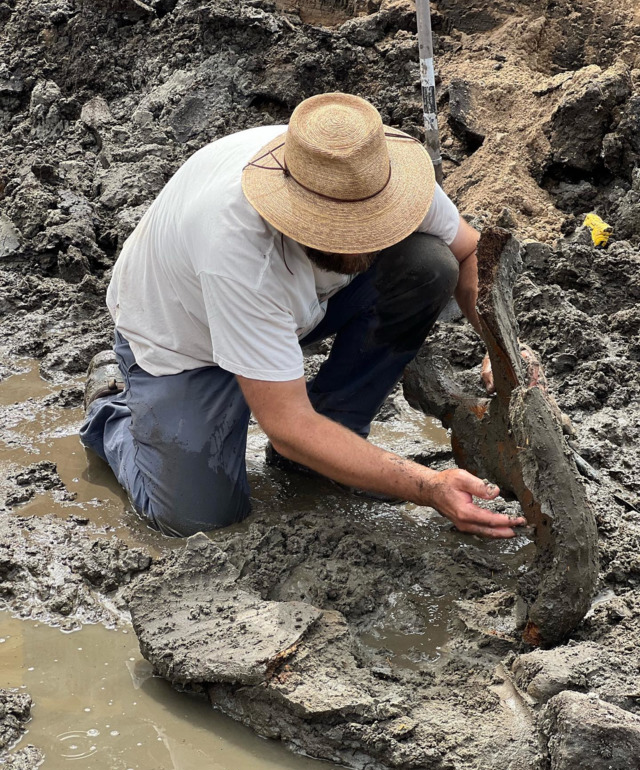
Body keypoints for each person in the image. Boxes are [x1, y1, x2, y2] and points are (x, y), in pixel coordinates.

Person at [80, 92, 525, 539]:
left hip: (294, 306)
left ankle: (333, 437)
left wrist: (503, 351)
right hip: (186, 340)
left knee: (429, 266)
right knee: (200, 519)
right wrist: (428, 486)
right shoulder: (237, 250)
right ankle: (112, 408)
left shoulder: (379, 176)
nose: (361, 241)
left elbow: (471, 255)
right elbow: (287, 425)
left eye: (371, 223)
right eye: (339, 229)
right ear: (295, 211)